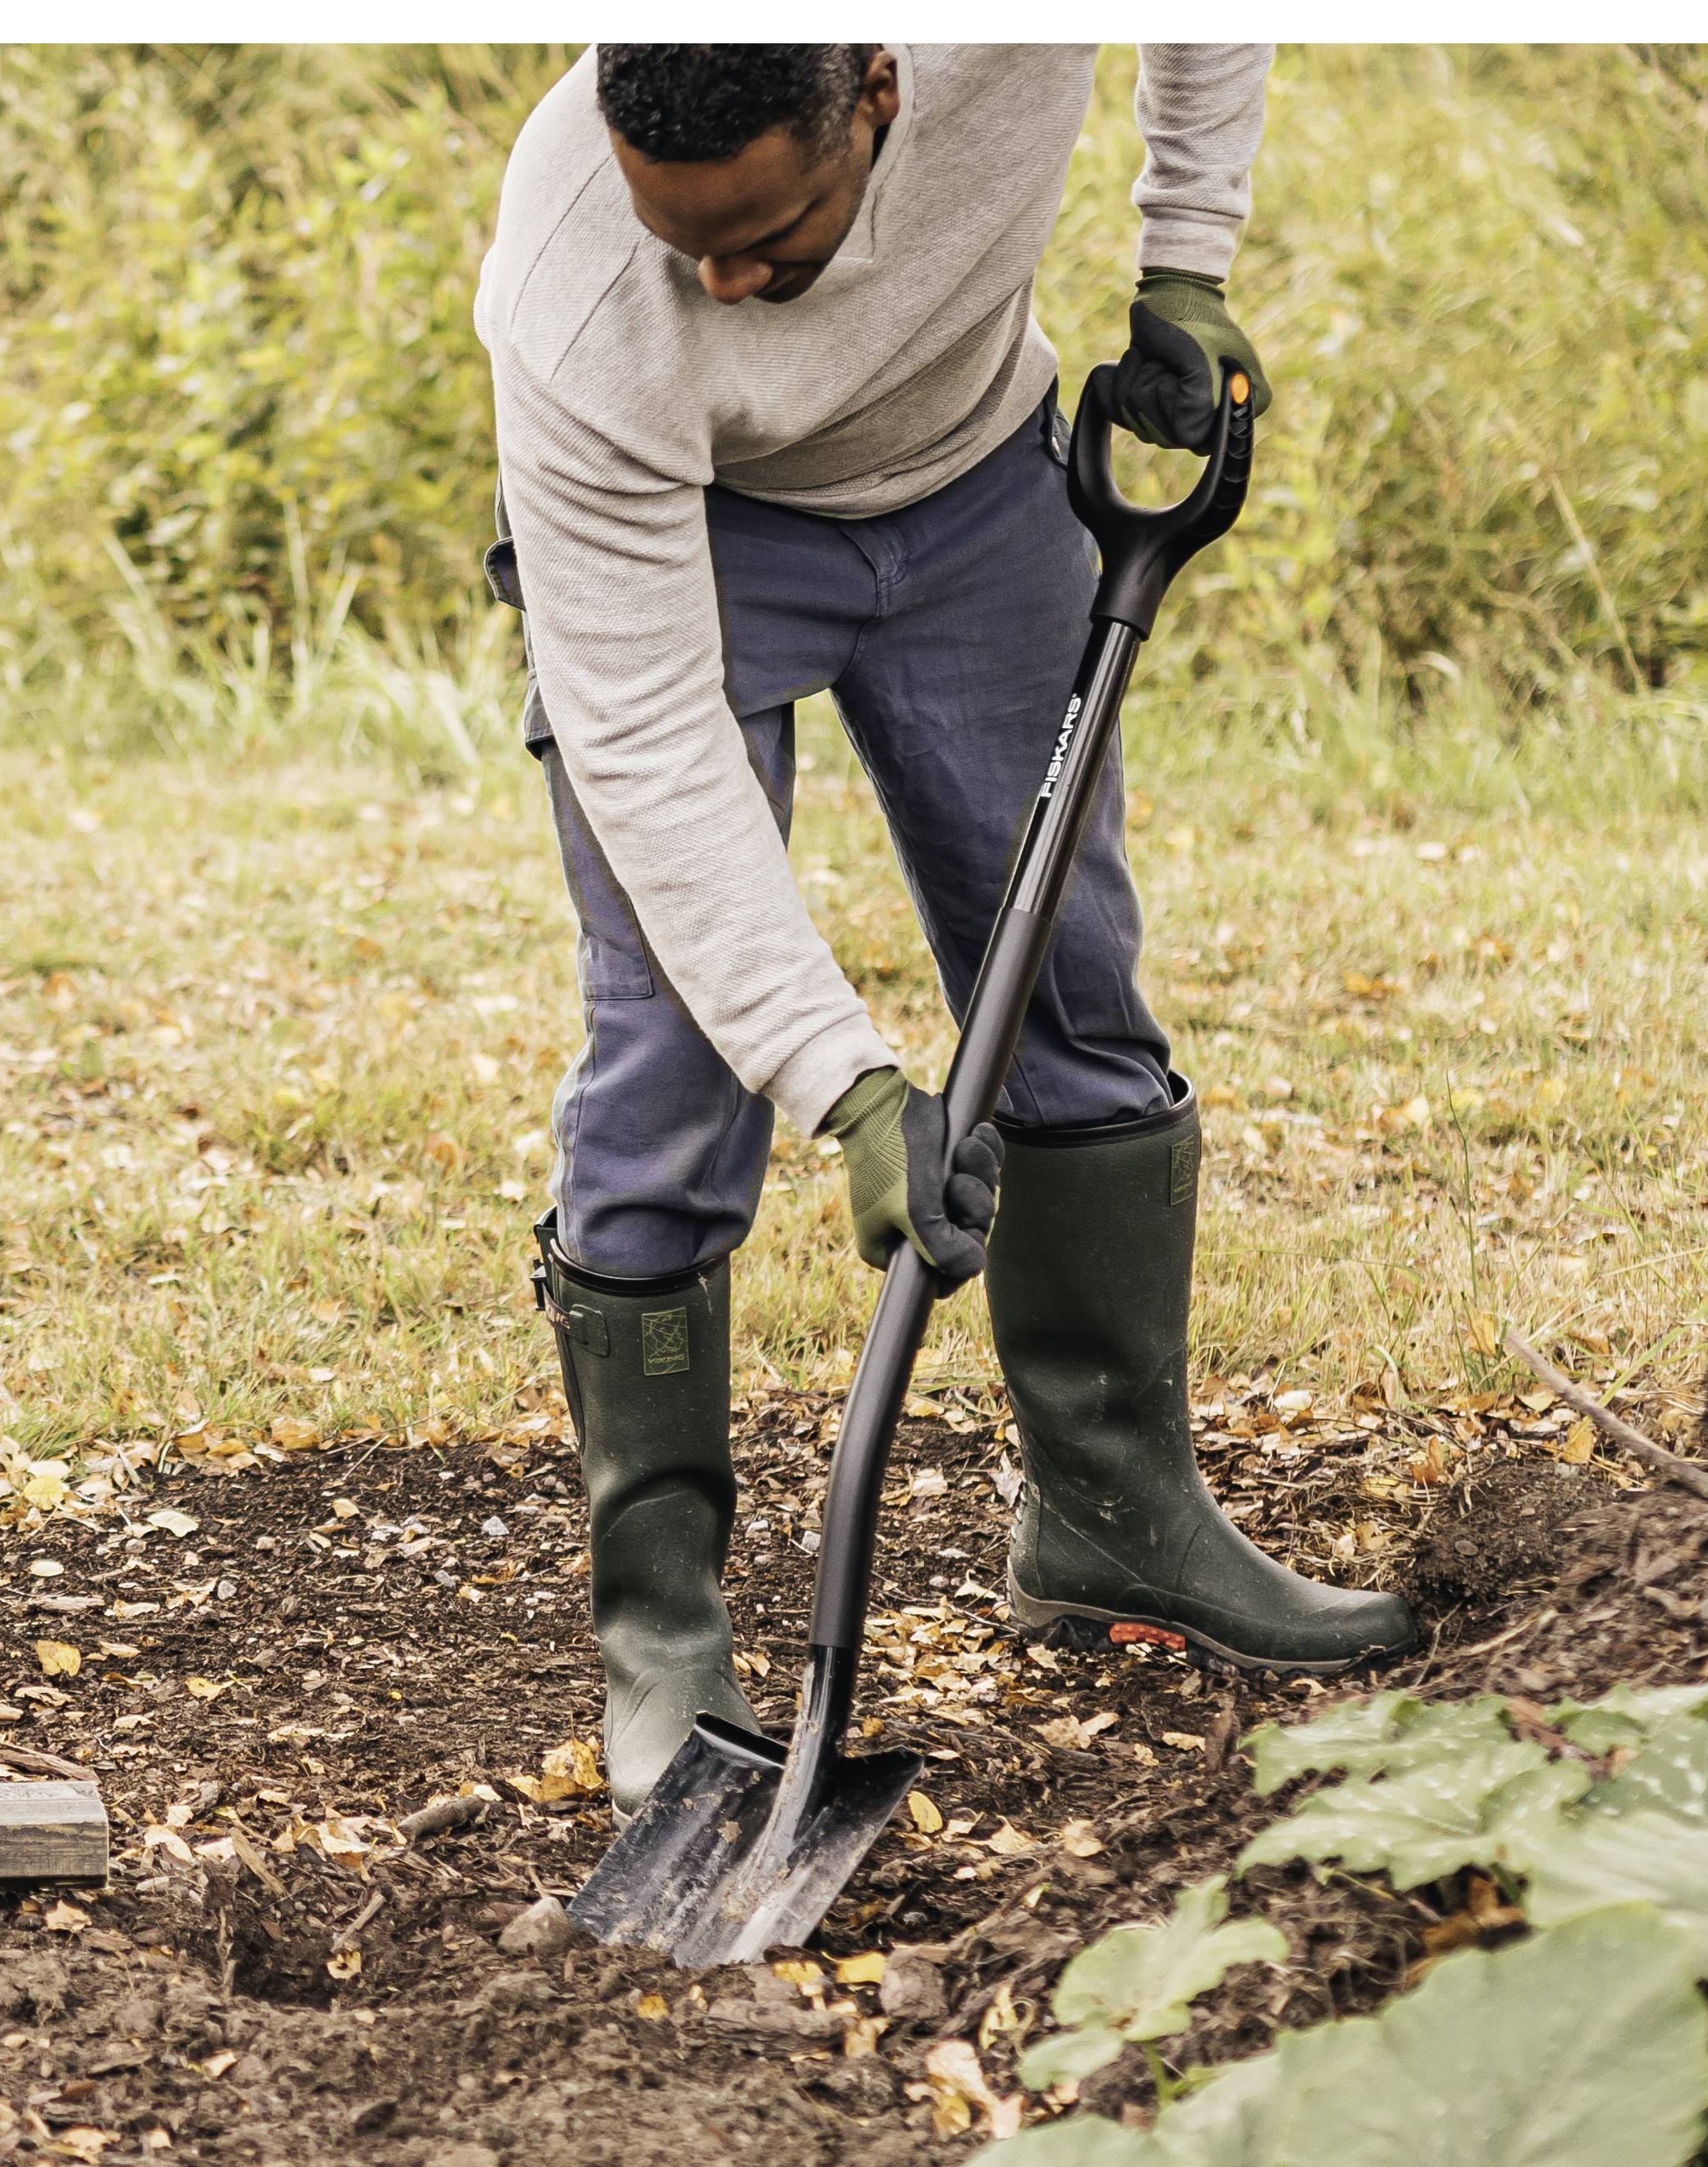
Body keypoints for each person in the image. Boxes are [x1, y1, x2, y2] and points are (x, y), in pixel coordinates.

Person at [477, 43, 1415, 1819]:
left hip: (978, 480)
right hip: (704, 534)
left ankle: (1112, 1515)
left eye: (766, 235)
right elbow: (648, 753)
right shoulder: (576, 296)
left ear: (884, 98)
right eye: (687, 243)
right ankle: (662, 1633)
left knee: (1070, 986)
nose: (722, 284)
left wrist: (1183, 254)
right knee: (675, 1068)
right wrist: (846, 1087)